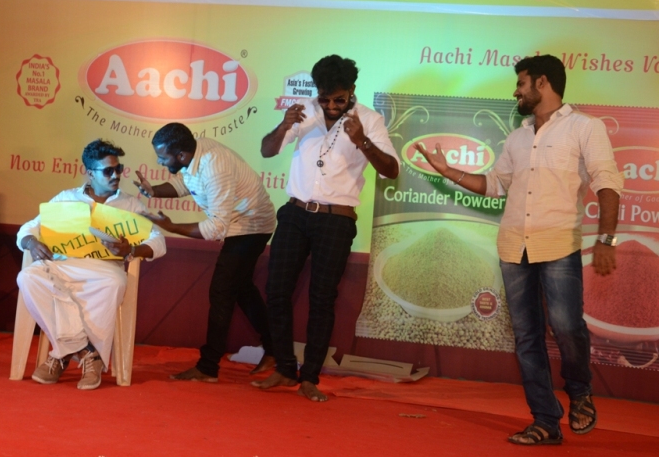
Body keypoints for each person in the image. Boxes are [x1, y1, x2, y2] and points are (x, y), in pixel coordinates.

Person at [414, 55, 623, 445]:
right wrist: (448, 171)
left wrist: (606, 238)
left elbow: (607, 182)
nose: (516, 92)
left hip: (558, 243)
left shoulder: (585, 127)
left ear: (542, 83)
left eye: (521, 83)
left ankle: (580, 391)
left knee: (566, 326)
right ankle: (545, 420)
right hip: (513, 247)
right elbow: (495, 185)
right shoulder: (517, 136)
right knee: (527, 337)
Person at [255, 55, 400, 402]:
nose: (332, 106)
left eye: (339, 99)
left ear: (352, 90)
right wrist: (283, 126)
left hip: (337, 219)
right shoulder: (304, 111)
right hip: (295, 213)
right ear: (317, 92)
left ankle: (310, 377)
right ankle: (285, 368)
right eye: (325, 98)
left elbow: (392, 170)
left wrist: (363, 141)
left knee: (322, 299)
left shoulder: (370, 120)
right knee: (276, 290)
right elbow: (267, 150)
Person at [17, 139, 166, 390]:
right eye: (108, 171)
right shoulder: (66, 198)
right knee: (28, 277)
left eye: (118, 169)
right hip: (64, 265)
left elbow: (158, 240)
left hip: (104, 270)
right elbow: (29, 227)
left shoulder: (130, 204)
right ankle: (87, 353)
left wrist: (131, 250)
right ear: (90, 173)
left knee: (115, 282)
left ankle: (62, 355)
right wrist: (31, 242)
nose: (115, 175)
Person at [134, 123, 277, 382]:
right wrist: (154, 191)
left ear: (181, 155)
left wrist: (172, 227)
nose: (159, 161)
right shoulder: (193, 154)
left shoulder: (215, 167)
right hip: (237, 224)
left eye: (162, 157)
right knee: (241, 288)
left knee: (221, 291)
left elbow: (216, 227)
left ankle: (208, 367)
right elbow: (182, 183)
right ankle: (275, 348)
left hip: (251, 226)